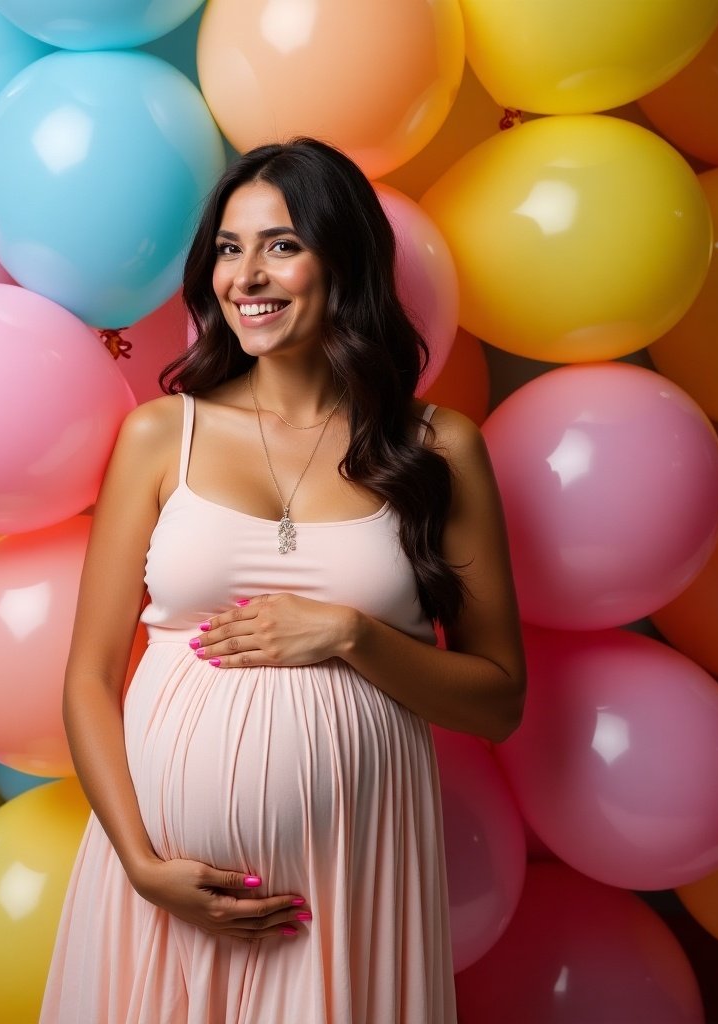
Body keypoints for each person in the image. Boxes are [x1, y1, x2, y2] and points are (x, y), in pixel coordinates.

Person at [41, 137, 525, 1024]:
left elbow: (497, 701)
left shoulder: (438, 449)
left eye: (282, 245)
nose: (246, 276)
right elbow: (87, 676)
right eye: (230, 248)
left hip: (351, 894)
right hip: (164, 893)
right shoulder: (160, 437)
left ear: (344, 260)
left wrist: (350, 634)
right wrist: (142, 866)